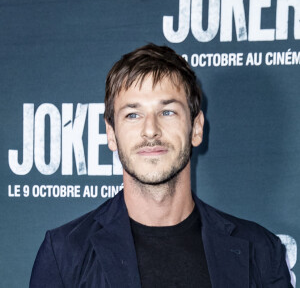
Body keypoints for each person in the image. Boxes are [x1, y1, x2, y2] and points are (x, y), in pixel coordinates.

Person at [30, 44, 292, 288]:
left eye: (167, 112)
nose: (150, 130)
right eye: (133, 114)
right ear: (111, 134)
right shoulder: (65, 254)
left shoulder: (260, 251)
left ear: (196, 128)